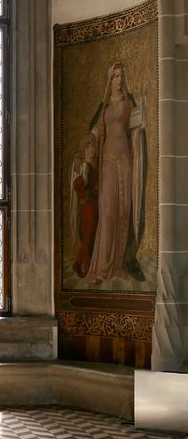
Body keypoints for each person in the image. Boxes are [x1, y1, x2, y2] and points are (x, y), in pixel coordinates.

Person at [85, 61, 146, 283]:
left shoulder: (129, 103)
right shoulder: (104, 108)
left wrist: (141, 124)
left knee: (123, 212)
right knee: (108, 211)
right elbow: (95, 132)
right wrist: (88, 145)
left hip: (126, 161)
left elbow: (136, 129)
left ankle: (119, 264)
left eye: (121, 76)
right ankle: (102, 266)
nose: (119, 80)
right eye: (115, 77)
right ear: (109, 80)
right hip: (108, 161)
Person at [69, 133, 99, 278]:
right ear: (84, 150)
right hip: (87, 208)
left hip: (92, 207)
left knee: (90, 237)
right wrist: (85, 196)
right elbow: (77, 185)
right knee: (87, 237)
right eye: (88, 147)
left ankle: (82, 265)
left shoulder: (92, 166)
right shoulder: (85, 166)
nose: (92, 150)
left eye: (93, 146)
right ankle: (81, 266)